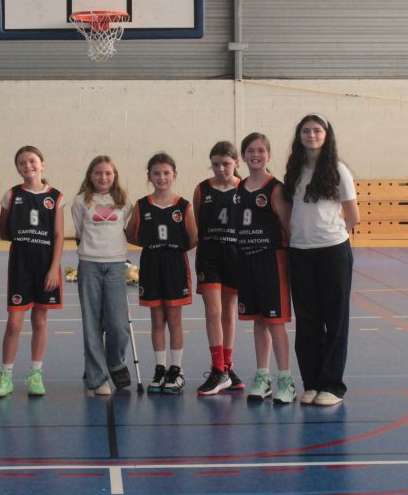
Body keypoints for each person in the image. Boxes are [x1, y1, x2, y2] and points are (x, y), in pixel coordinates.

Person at [283, 113, 358, 407]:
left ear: (326, 135)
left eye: (317, 130)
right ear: (299, 135)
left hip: (333, 252)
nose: (311, 135)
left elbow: (353, 216)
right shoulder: (294, 170)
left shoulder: (338, 170)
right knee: (307, 321)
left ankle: (332, 385)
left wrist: (329, 236)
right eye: (306, 130)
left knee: (335, 319)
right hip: (300, 253)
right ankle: (312, 383)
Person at [0, 146, 64, 397]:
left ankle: (35, 374)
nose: (28, 166)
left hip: (45, 263)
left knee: (40, 320)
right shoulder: (12, 195)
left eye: (32, 161)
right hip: (20, 263)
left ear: (42, 164)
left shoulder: (55, 197)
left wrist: (54, 268)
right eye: (22, 163)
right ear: (17, 168)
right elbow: (4, 231)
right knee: (14, 323)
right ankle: (6, 375)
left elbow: (58, 235)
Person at [127, 153, 197, 394]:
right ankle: (160, 368)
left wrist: (172, 248)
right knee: (156, 320)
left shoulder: (183, 206)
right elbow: (131, 234)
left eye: (166, 173)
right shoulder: (142, 205)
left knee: (174, 319)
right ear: (149, 176)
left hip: (175, 264)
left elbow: (193, 238)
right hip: (151, 264)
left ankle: (176, 369)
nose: (161, 177)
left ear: (174, 175)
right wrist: (152, 244)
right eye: (156, 173)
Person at [235, 132, 296, 404]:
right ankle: (262, 376)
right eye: (250, 150)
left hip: (272, 261)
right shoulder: (240, 188)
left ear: (269, 155)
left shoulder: (276, 188)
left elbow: (289, 228)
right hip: (247, 261)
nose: (255, 155)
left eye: (261, 150)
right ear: (243, 156)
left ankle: (285, 379)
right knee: (258, 320)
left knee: (275, 321)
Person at [72, 155, 134, 396]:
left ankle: (115, 363)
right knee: (92, 325)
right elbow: (79, 232)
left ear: (115, 176)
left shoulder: (124, 201)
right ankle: (97, 377)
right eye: (98, 173)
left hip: (116, 266)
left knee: (119, 326)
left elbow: (125, 229)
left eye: (108, 173)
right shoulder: (81, 201)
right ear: (90, 175)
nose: (103, 177)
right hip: (89, 265)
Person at [192, 141, 243, 395]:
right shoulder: (202, 189)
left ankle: (227, 367)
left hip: (235, 255)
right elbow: (198, 222)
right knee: (213, 311)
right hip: (210, 254)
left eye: (226, 164)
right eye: (216, 164)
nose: (221, 169)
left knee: (229, 311)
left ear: (236, 163)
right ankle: (218, 368)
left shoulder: (244, 188)